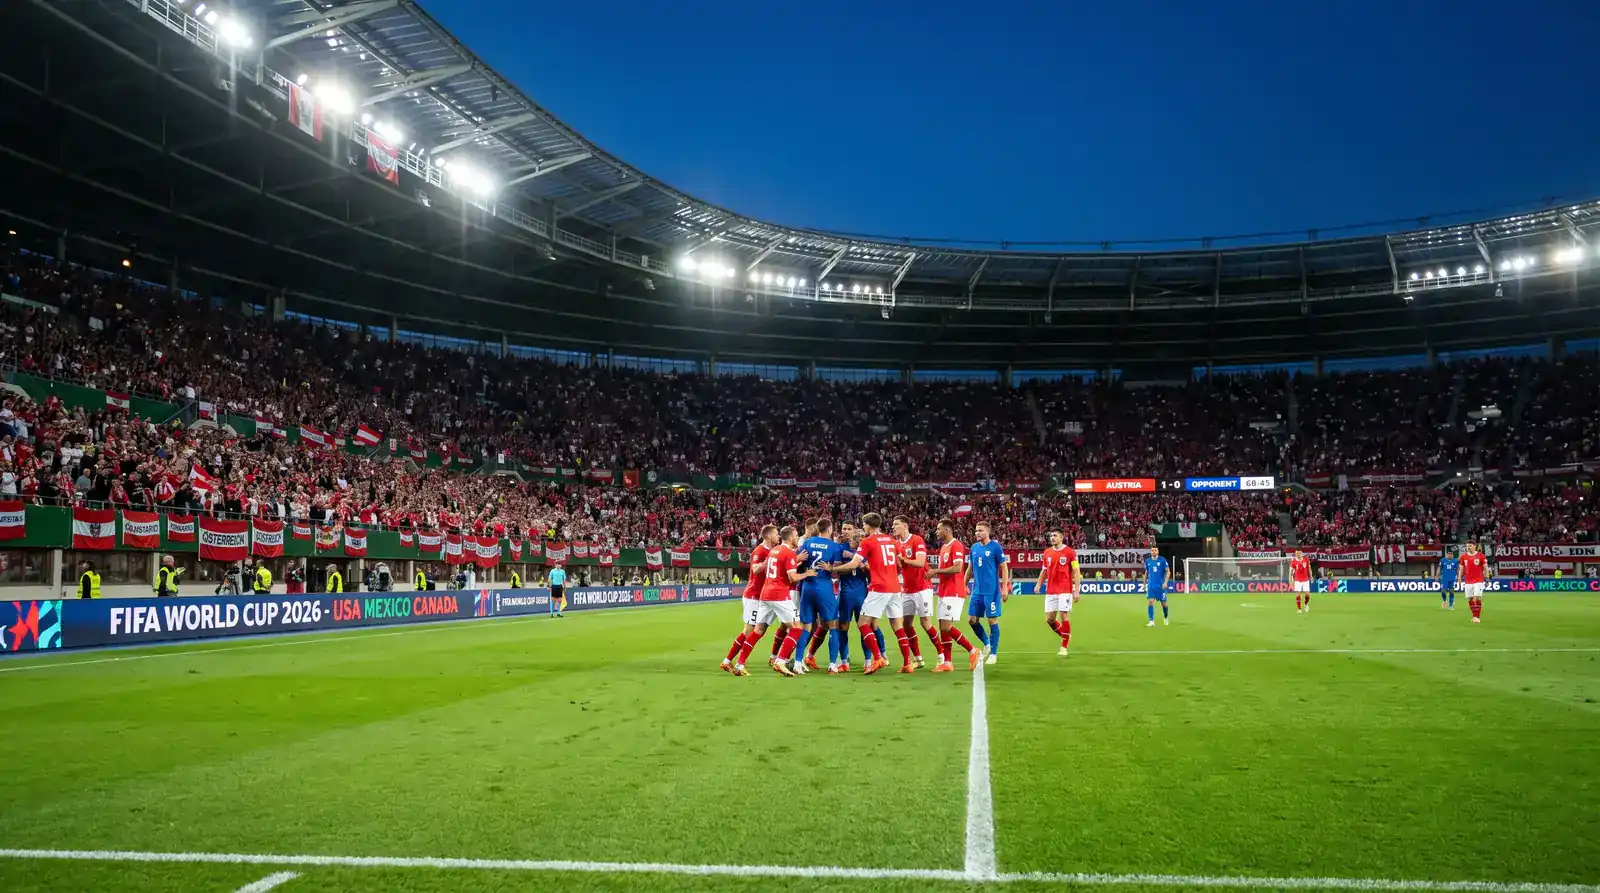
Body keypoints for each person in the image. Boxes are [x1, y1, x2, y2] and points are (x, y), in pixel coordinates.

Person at [732, 525, 815, 677]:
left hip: (765, 594)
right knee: (797, 628)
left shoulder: (773, 551)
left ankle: (739, 664)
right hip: (779, 595)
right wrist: (808, 574)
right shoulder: (788, 552)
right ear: (790, 538)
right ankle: (780, 661)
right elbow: (793, 577)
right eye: (796, 536)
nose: (797, 538)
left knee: (757, 631)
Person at [858, 512, 910, 674]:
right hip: (895, 587)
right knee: (898, 627)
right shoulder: (892, 540)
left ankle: (878, 657)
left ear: (867, 525)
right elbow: (901, 563)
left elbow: (855, 562)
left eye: (864, 525)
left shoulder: (868, 541)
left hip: (879, 587)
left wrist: (833, 569)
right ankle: (907, 663)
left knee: (863, 624)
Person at [722, 525, 776, 674]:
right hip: (753, 595)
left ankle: (732, 661)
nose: (778, 536)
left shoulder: (771, 550)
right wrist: (768, 561)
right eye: (776, 534)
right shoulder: (759, 551)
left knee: (761, 629)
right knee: (749, 630)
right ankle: (729, 661)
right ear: (769, 536)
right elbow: (755, 569)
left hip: (762, 597)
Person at [928, 519, 980, 671]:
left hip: (954, 591)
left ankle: (972, 650)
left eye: (939, 529)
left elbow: (957, 568)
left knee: (946, 626)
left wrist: (936, 571)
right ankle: (947, 663)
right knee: (942, 627)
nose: (936, 532)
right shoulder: (944, 547)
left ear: (947, 530)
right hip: (944, 591)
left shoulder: (956, 545)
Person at [796, 518, 847, 673]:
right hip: (824, 587)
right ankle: (832, 664)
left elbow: (799, 562)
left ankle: (797, 662)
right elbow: (837, 569)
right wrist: (830, 567)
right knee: (833, 625)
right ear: (830, 529)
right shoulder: (834, 546)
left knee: (806, 627)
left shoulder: (808, 542)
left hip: (807, 586)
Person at [893, 516, 937, 669]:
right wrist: (898, 561)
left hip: (922, 588)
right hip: (907, 589)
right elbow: (900, 566)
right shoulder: (896, 544)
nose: (893, 527)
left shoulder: (917, 540)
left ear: (905, 526)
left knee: (925, 623)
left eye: (896, 524)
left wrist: (903, 559)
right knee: (906, 624)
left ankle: (942, 655)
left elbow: (919, 563)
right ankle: (918, 659)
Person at [965, 521, 1009, 665]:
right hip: (977, 591)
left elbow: (1004, 567)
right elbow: (970, 568)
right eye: (976, 530)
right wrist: (963, 584)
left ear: (988, 532)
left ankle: (994, 654)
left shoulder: (995, 547)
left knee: (992, 620)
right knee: (972, 620)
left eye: (980, 530)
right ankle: (987, 644)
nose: (977, 533)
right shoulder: (974, 548)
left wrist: (1004, 587)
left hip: (992, 591)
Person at [1035, 529, 1078, 657]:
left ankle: (1064, 647)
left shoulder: (1070, 552)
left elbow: (1076, 571)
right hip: (1051, 590)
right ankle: (1066, 636)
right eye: (1051, 536)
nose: (1052, 538)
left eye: (1055, 535)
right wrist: (1038, 584)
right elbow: (1044, 571)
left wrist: (1076, 590)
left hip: (1065, 589)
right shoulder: (1047, 552)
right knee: (1050, 619)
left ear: (1061, 537)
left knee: (1064, 615)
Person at [1461, 542, 1488, 623]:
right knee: (1470, 599)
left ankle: (1477, 616)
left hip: (1478, 580)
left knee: (1477, 597)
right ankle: (1474, 615)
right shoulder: (1464, 556)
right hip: (1468, 580)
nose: (1468, 547)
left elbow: (1485, 568)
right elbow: (1461, 568)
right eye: (1467, 546)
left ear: (1474, 546)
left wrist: (1487, 578)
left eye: (1470, 545)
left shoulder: (1481, 555)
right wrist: (1459, 577)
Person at [1143, 546, 1170, 627]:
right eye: (1152, 550)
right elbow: (1146, 573)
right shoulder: (1148, 561)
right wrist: (1144, 584)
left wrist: (1165, 582)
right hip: (1151, 585)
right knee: (1150, 602)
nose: (1153, 552)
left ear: (1158, 552)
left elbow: (1168, 572)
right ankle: (1151, 621)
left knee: (1164, 603)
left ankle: (1166, 617)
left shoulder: (1162, 560)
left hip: (1161, 585)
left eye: (1155, 550)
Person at [1290, 549, 1313, 613]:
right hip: (1297, 580)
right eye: (1296, 553)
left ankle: (1305, 604)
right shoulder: (1293, 561)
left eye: (1299, 553)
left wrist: (1311, 577)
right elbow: (1291, 572)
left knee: (1308, 595)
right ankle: (1299, 609)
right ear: (1295, 553)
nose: (1298, 554)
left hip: (1305, 580)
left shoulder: (1306, 559)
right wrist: (1291, 582)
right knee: (1297, 595)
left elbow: (1309, 569)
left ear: (1301, 553)